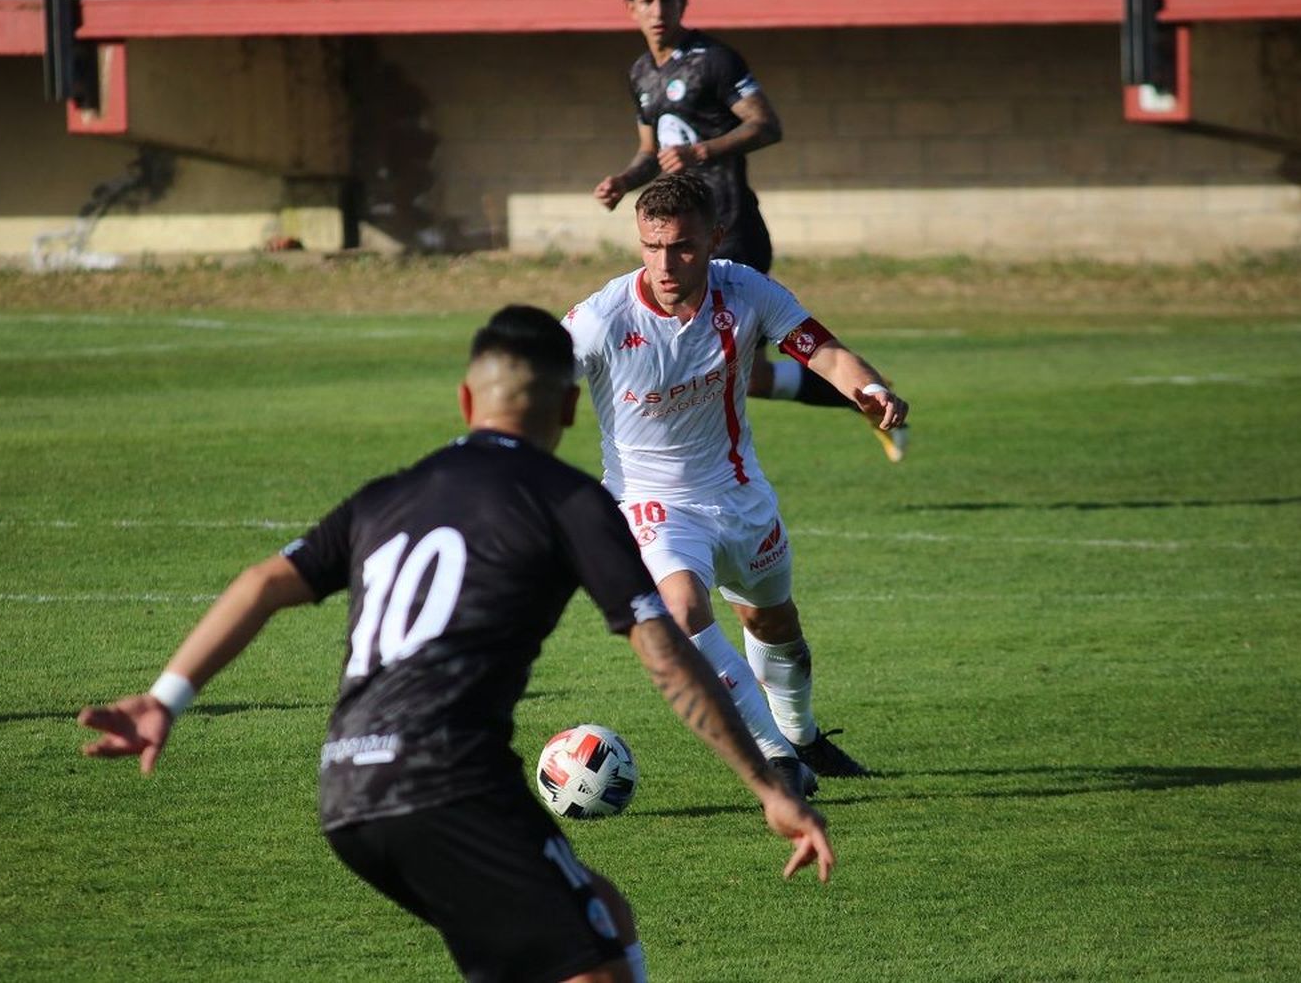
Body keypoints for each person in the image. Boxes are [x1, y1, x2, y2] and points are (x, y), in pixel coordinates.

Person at [77, 305, 833, 983]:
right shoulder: (569, 499)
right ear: (571, 406)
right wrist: (769, 785)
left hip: (347, 790)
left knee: (600, 919)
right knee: (588, 970)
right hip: (449, 783)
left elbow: (261, 582)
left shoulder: (389, 492)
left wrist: (165, 698)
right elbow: (666, 653)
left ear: (467, 401)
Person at [564, 173, 909, 795]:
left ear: (715, 238)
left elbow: (824, 353)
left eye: (683, 247)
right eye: (651, 247)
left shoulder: (745, 290)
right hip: (651, 502)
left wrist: (872, 389)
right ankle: (778, 758)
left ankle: (803, 737)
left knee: (775, 626)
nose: (665, 264)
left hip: (740, 497)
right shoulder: (601, 318)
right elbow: (534, 380)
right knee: (683, 609)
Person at [592, 0, 908, 464]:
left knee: (706, 361)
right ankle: (865, 393)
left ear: (683, 3)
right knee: (753, 375)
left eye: (667, 0)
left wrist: (705, 150)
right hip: (682, 235)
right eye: (646, 1)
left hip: (728, 229)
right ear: (629, 7)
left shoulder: (715, 61)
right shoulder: (640, 75)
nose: (658, 11)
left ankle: (693, 467)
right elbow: (654, 152)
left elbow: (766, 123)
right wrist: (623, 180)